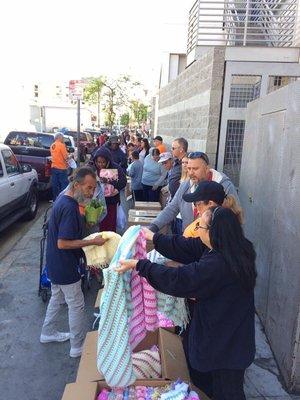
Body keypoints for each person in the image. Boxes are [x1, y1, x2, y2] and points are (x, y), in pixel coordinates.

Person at [116, 207, 256, 400]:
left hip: (225, 346)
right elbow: (187, 246)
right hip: (231, 335)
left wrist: (140, 266)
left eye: (201, 226)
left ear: (214, 233)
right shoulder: (236, 247)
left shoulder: (218, 264)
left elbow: (180, 279)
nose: (197, 229)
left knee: (226, 392)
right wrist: (154, 238)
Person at [40, 167, 107, 358]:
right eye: (88, 188)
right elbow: (63, 242)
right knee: (76, 305)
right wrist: (93, 241)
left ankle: (48, 332)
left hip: (54, 262)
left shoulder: (63, 199)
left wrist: (85, 221)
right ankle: (77, 346)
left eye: (93, 188)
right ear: (76, 185)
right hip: (64, 264)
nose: (91, 192)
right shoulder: (69, 207)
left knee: (57, 297)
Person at [149, 151, 239, 233]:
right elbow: (172, 208)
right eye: (189, 168)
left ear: (207, 168)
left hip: (212, 244)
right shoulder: (186, 185)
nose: (191, 173)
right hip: (189, 241)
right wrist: (154, 226)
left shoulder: (225, 186)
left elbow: (234, 219)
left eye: (195, 169)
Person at [93, 146, 127, 232]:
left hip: (111, 201)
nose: (100, 164)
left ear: (108, 161)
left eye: (103, 162)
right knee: (102, 223)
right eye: (98, 162)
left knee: (111, 224)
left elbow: (123, 181)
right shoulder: (93, 168)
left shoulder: (116, 167)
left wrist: (116, 189)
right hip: (99, 202)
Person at [50, 132, 70, 201]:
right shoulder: (61, 145)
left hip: (54, 167)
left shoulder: (52, 145)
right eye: (62, 137)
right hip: (61, 168)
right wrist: (70, 156)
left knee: (55, 184)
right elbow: (66, 157)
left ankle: (55, 199)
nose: (63, 139)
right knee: (64, 184)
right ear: (59, 137)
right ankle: (64, 199)